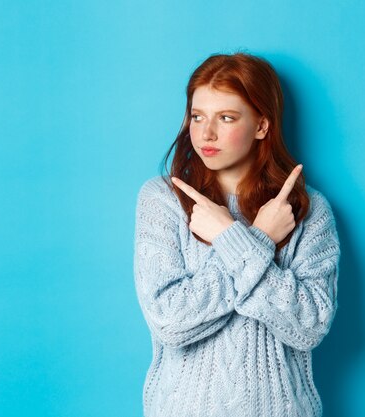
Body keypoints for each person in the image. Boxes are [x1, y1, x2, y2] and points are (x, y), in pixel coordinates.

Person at [133, 52, 340, 417]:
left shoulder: (306, 208)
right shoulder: (163, 200)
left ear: (262, 125)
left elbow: (310, 326)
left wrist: (230, 238)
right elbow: (170, 321)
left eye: (226, 118)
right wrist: (257, 238)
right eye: (197, 117)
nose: (206, 133)